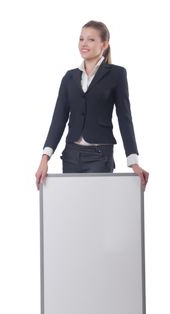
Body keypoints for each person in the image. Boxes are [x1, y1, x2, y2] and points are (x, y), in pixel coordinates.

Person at [35, 20, 148, 189]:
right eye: (81, 39)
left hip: (100, 156)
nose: (84, 44)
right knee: (74, 209)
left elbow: (125, 118)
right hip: (71, 155)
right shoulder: (69, 77)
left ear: (104, 44)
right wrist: (45, 158)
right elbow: (58, 119)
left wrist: (133, 161)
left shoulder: (117, 74)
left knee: (97, 210)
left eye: (91, 39)